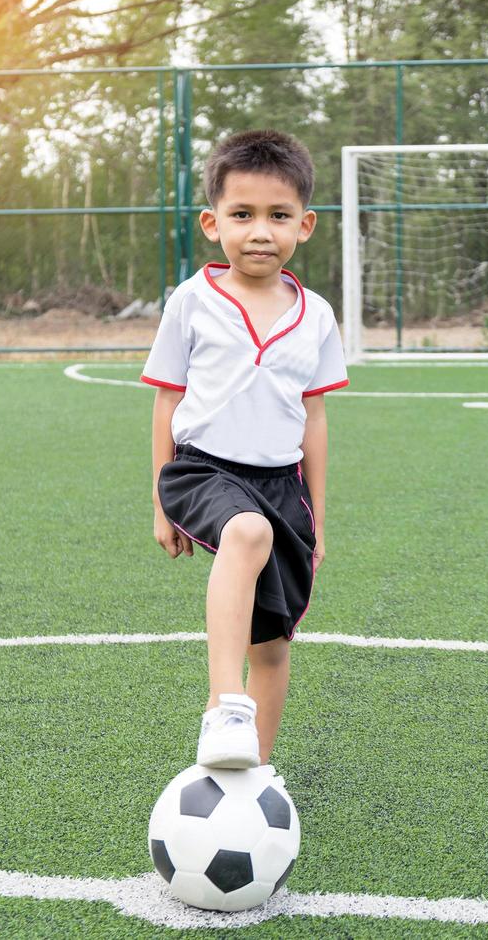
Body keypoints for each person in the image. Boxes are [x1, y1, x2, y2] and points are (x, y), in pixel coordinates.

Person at [141, 129, 349, 770]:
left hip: (282, 485)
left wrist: (316, 515)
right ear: (212, 223)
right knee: (248, 532)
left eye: (278, 216)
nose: (261, 231)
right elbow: (167, 402)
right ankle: (224, 706)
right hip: (202, 470)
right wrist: (159, 502)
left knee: (275, 646)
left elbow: (313, 418)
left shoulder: (316, 315)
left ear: (305, 226)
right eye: (243, 215)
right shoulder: (191, 303)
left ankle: (252, 773)